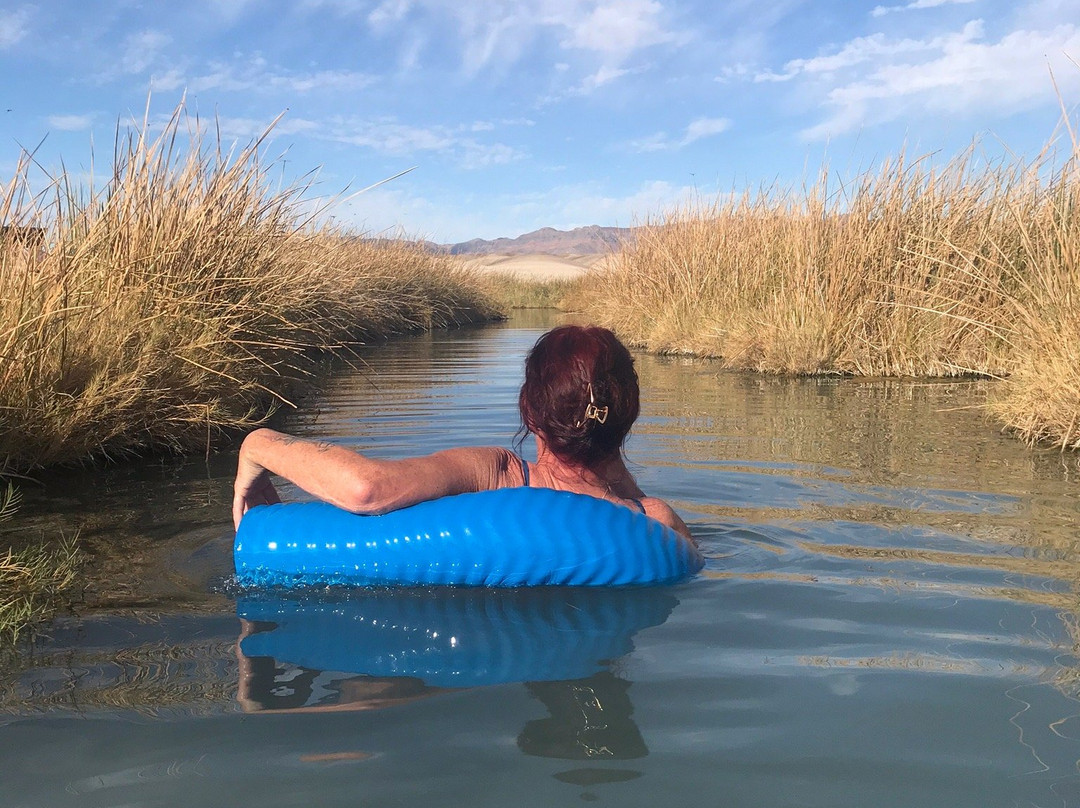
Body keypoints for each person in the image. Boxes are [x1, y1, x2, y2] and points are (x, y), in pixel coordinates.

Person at [232, 325, 690, 538]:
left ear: (529, 411)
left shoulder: (499, 473)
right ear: (629, 417)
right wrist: (621, 478)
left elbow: (366, 489)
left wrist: (259, 444)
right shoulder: (655, 522)